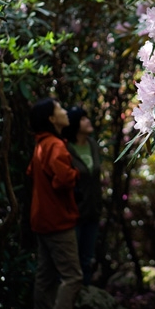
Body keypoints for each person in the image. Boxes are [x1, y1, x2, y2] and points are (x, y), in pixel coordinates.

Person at [26, 98, 89, 309]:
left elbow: (32, 173)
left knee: (46, 275)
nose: (65, 111)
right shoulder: (54, 145)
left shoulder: (41, 144)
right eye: (60, 108)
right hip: (57, 220)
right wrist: (75, 174)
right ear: (52, 119)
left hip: (41, 218)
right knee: (72, 277)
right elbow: (62, 180)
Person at [62, 106, 103, 286]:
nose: (88, 121)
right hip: (74, 212)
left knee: (87, 258)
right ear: (74, 124)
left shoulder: (92, 144)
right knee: (73, 260)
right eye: (83, 119)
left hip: (93, 210)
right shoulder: (65, 148)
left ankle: (85, 295)